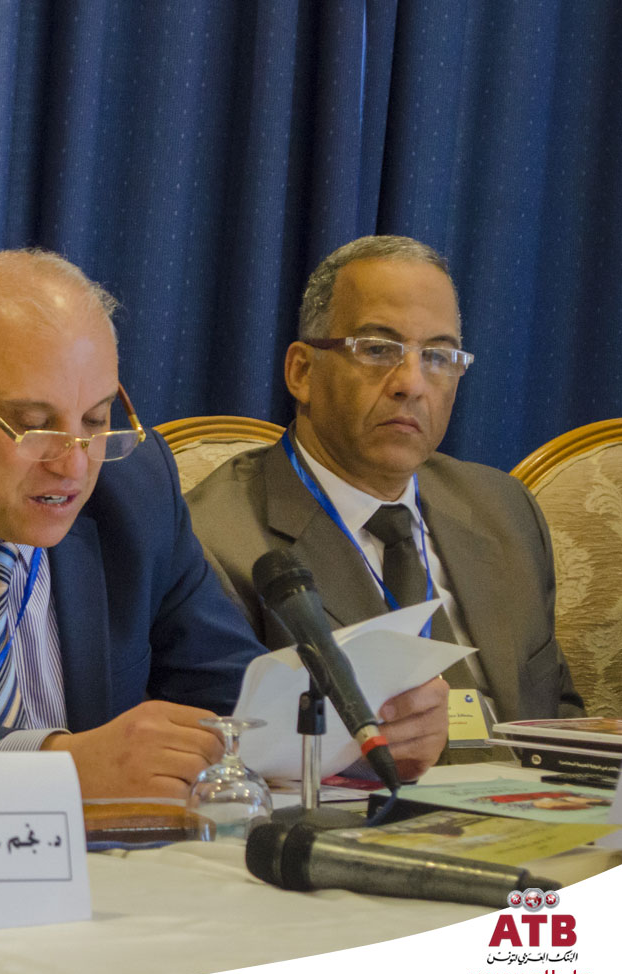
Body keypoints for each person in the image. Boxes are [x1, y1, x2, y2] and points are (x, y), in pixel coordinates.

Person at [0, 248, 442, 800]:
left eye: (97, 421)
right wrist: (59, 764)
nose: (73, 465)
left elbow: (227, 689)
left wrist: (351, 726)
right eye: (34, 424)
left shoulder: (132, 489)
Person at [188, 236, 582, 770]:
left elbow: (560, 720)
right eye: (377, 349)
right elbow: (224, 758)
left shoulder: (504, 510)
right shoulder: (213, 541)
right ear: (302, 371)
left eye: (438, 356)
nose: (412, 384)